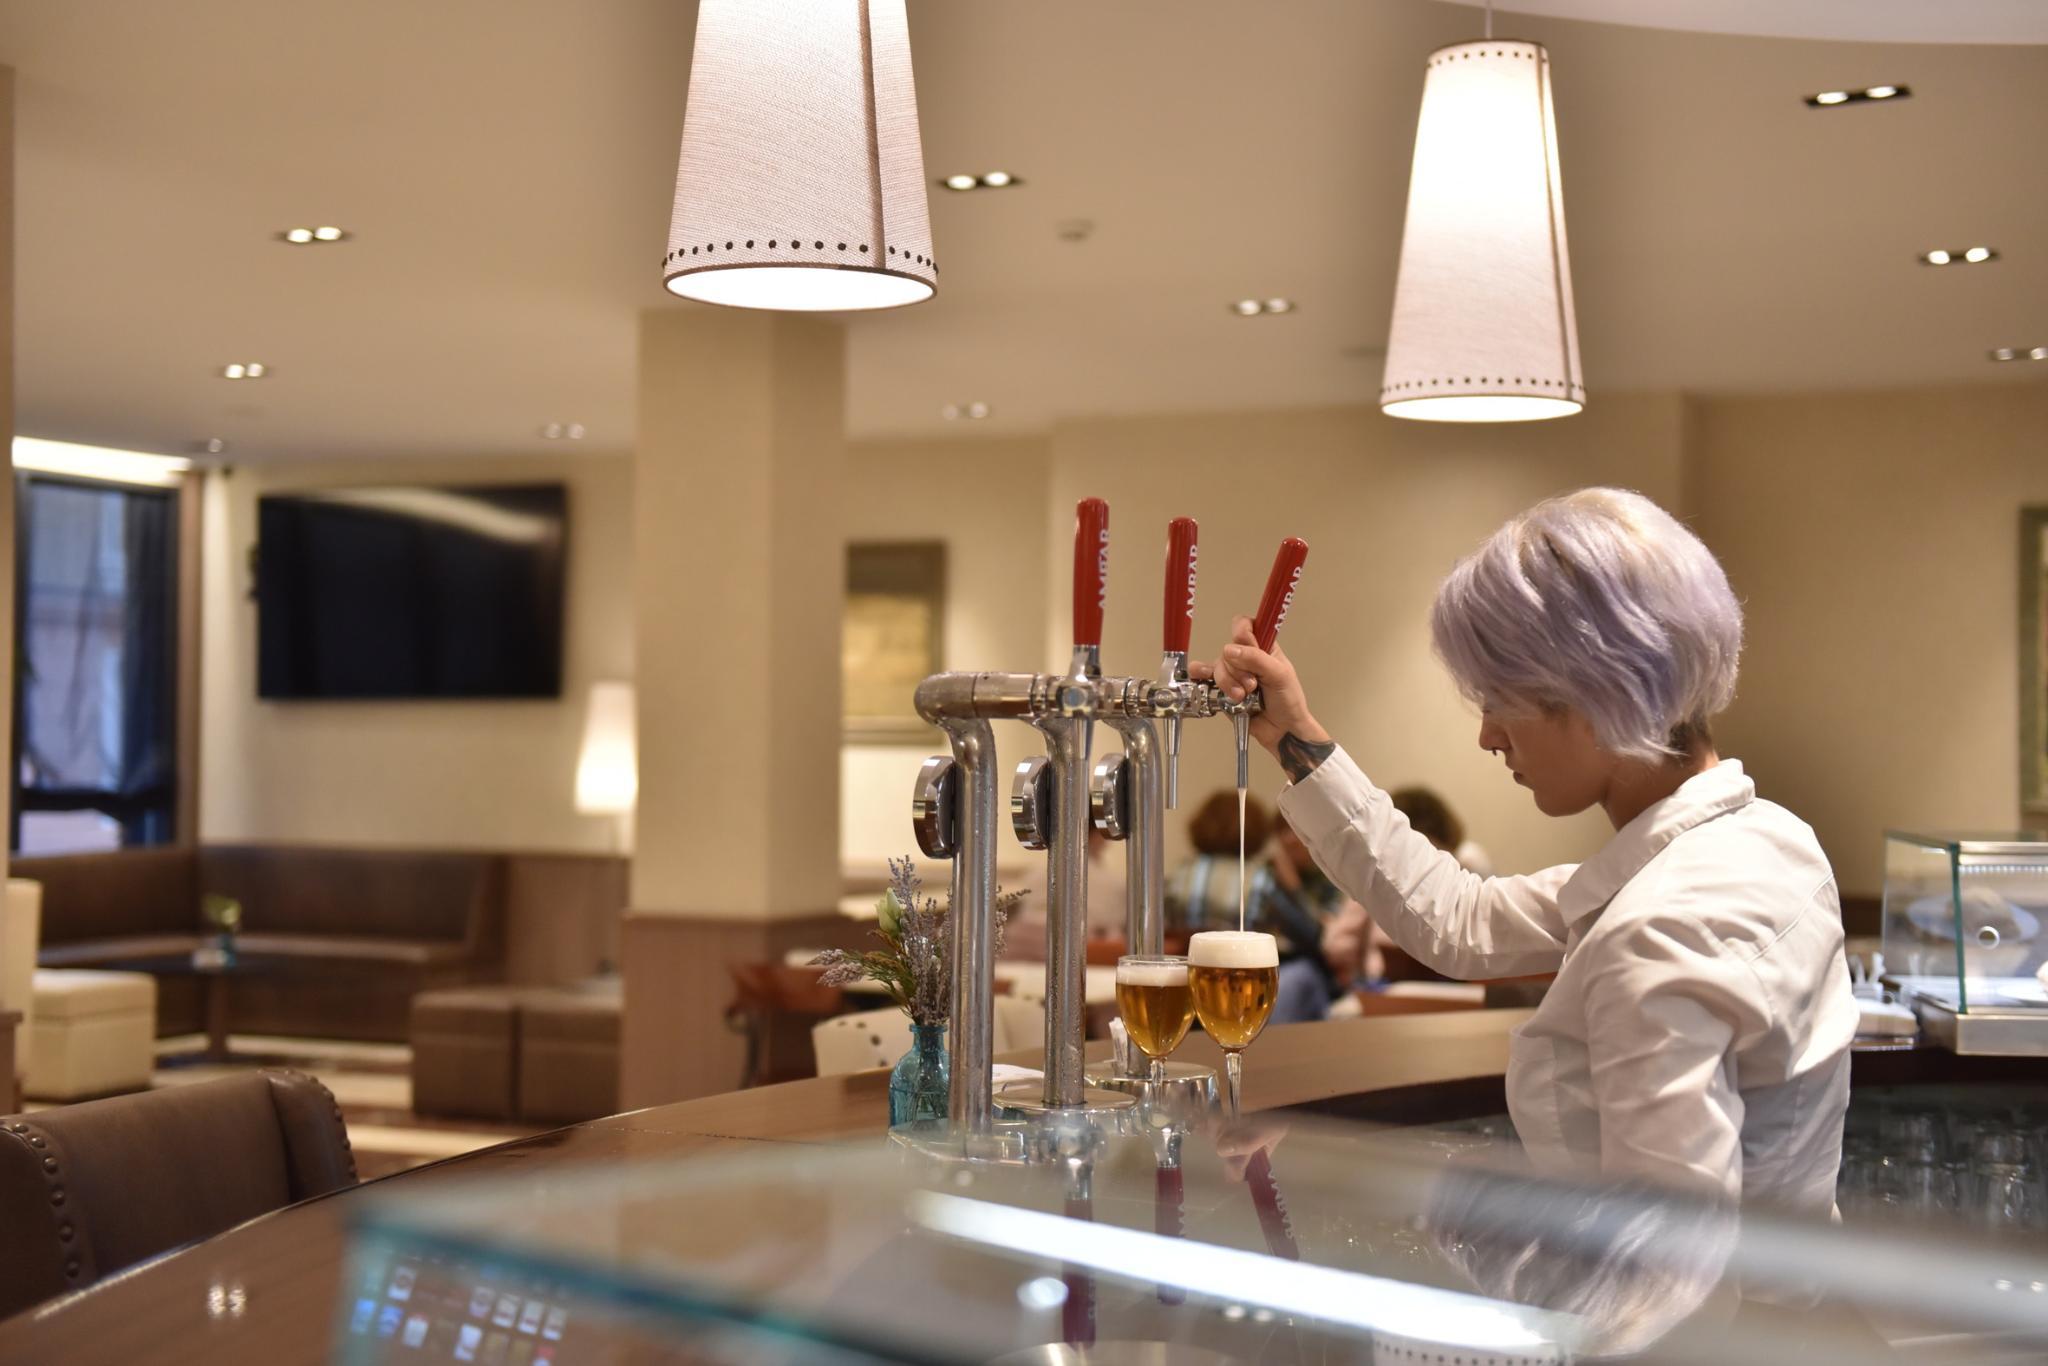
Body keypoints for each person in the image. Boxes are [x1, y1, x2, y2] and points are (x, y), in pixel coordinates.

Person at [1201, 487, 1856, 1211]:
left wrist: (1350, 1176)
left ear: (1592, 691)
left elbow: (1661, 1257)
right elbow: (1460, 920)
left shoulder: (1659, 931)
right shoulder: (1771, 841)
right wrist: (1294, 736)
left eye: (1497, 699)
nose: (1488, 736)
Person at [1163, 791, 1329, 1023]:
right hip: (1244, 994)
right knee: (1306, 972)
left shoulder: (1179, 874)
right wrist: (1293, 886)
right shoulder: (1259, 879)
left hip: (1193, 990)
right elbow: (1312, 935)